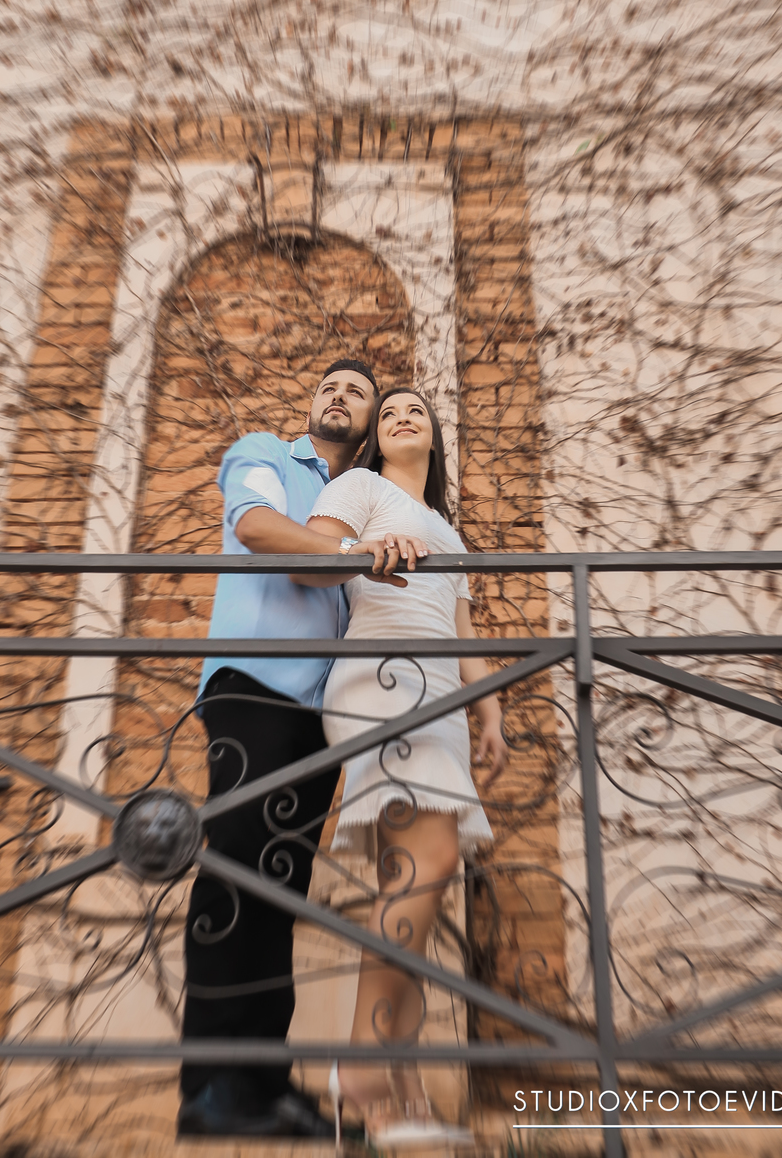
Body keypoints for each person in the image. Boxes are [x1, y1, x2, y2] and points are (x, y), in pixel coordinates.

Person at [178, 359, 430, 1143]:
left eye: (356, 391)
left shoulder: (359, 498)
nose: (338, 395)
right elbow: (256, 530)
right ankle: (210, 1087)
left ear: (370, 420)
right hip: (254, 688)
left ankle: (261, 1084)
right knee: (236, 872)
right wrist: (355, 554)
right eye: (329, 386)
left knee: (279, 889)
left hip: (321, 716)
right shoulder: (265, 452)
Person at [305, 386, 510, 1150]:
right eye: (387, 411)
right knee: (430, 861)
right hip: (380, 676)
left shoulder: (448, 530)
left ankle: (403, 1080)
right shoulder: (360, 487)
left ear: (434, 435)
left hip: (441, 697)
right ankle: (362, 1065)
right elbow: (313, 557)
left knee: (414, 889)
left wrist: (489, 710)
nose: (400, 416)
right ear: (376, 436)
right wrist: (363, 554)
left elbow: (462, 631)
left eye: (415, 409)